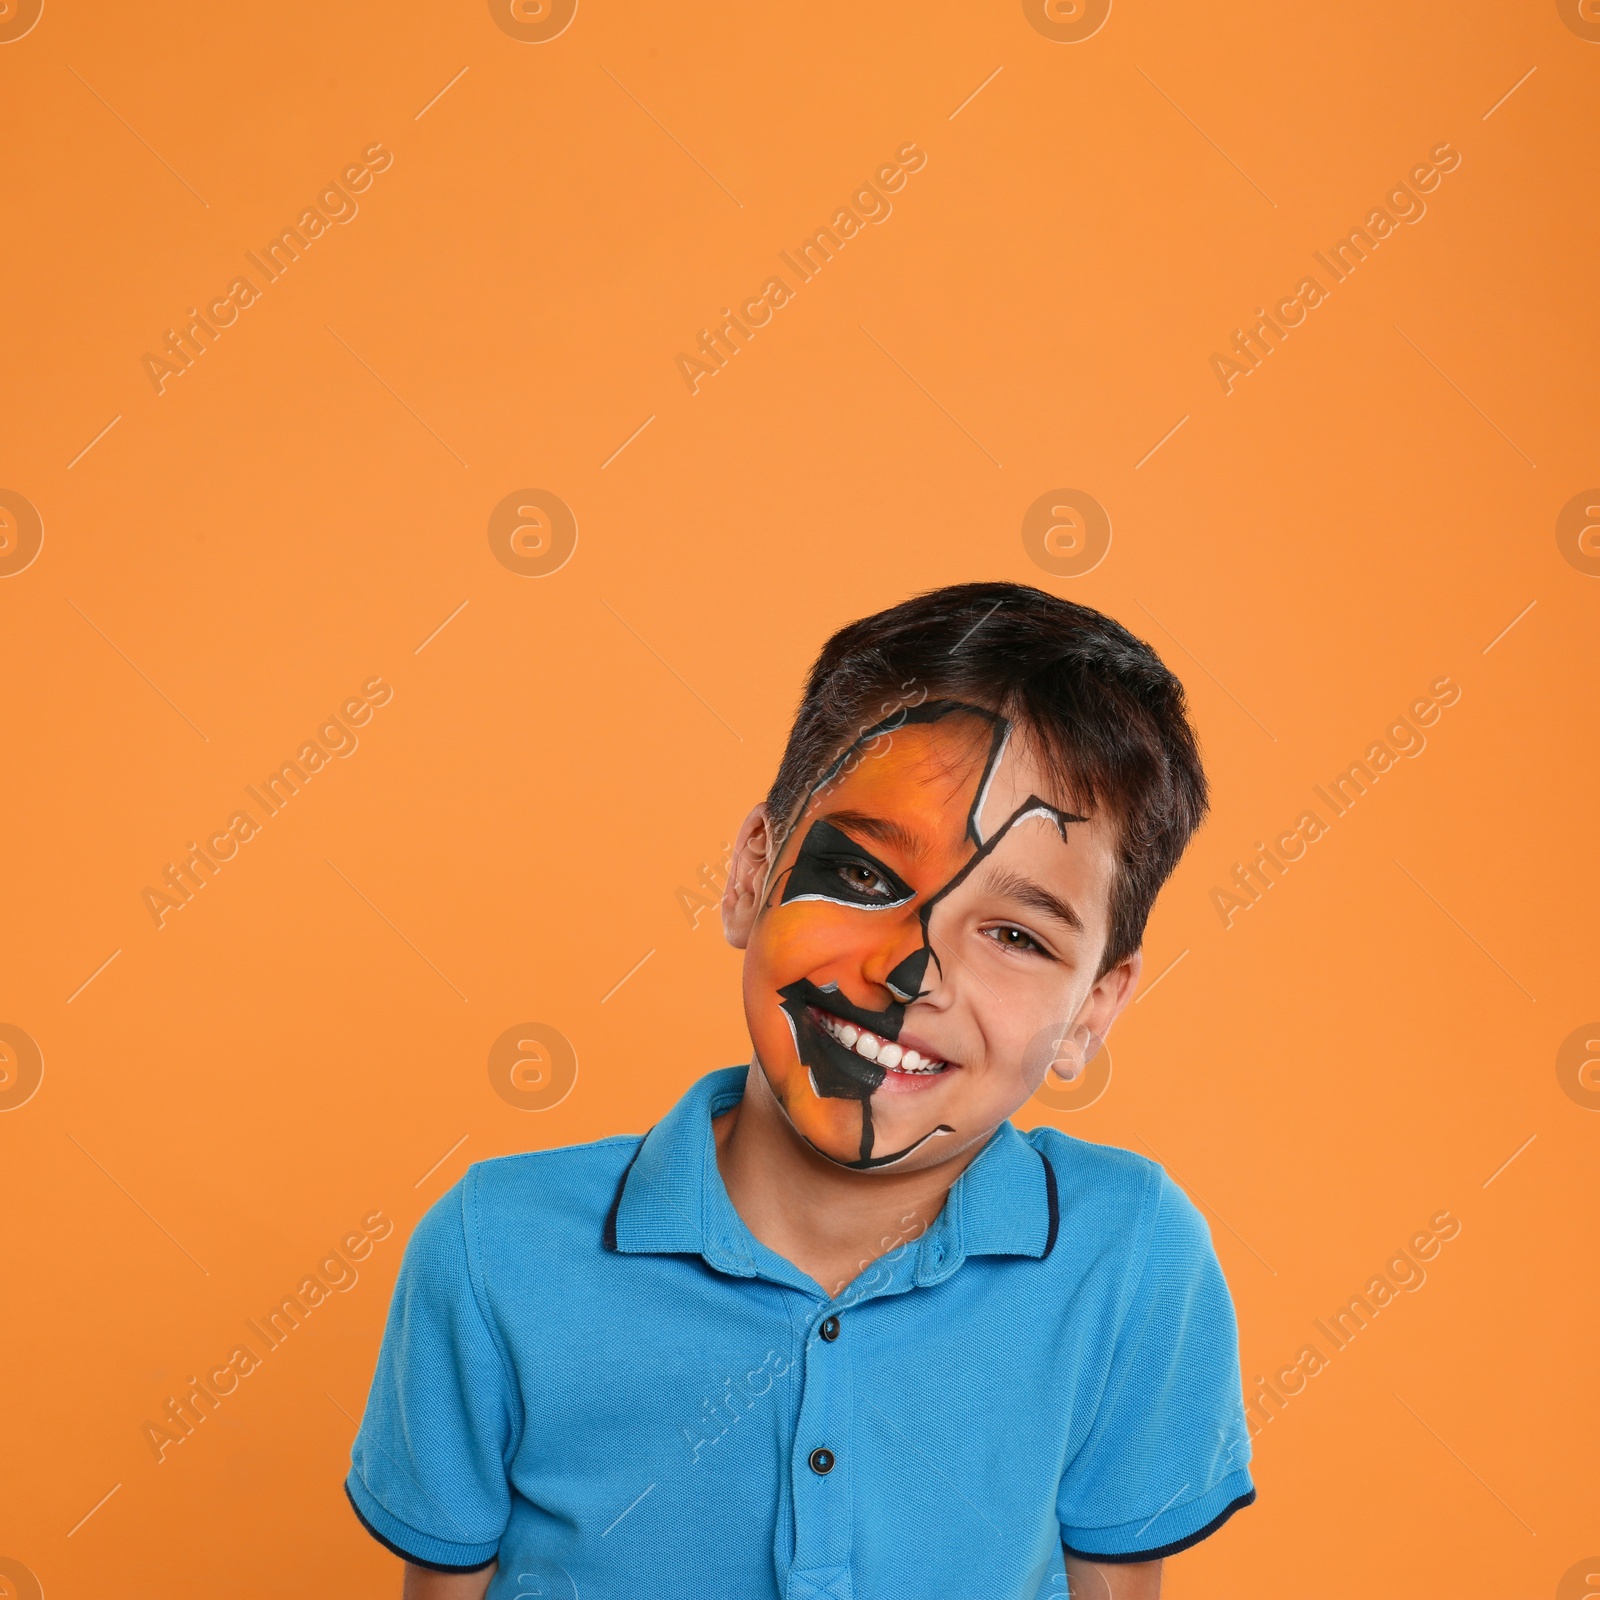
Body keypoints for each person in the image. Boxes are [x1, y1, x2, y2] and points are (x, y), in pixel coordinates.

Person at [344, 581, 1255, 1599]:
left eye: (1015, 934)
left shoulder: (1128, 1257)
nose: (912, 971)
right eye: (865, 877)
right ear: (750, 874)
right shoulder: (494, 1250)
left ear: (1093, 1009)